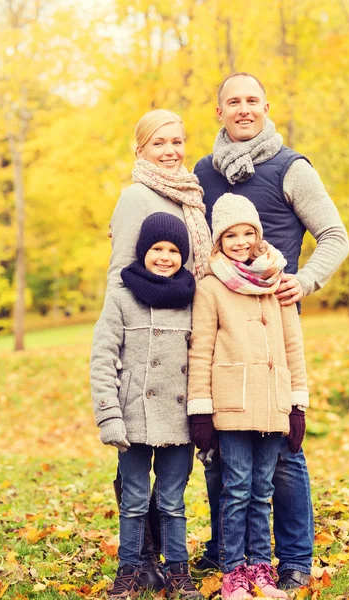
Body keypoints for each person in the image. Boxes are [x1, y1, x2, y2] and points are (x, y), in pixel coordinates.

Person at [192, 72, 349, 589]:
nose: (243, 109)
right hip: (220, 330)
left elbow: (334, 235)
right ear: (219, 112)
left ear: (266, 107)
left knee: (282, 456)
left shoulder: (291, 167)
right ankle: (229, 556)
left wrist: (304, 282)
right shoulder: (203, 172)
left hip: (272, 329)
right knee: (222, 459)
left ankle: (295, 558)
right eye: (232, 102)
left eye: (251, 101)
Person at [104, 108, 212, 595]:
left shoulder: (189, 193)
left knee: (172, 495)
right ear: (140, 149)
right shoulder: (136, 196)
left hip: (182, 328)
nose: (171, 151)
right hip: (140, 338)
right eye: (159, 143)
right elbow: (121, 269)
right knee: (133, 491)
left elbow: (198, 263)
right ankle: (138, 564)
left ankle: (169, 567)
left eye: (177, 140)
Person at [188, 193, 309, 600]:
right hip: (231, 405)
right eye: (230, 235)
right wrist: (201, 410)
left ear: (257, 235)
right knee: (236, 487)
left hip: (273, 404)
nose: (240, 241)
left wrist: (297, 404)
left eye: (247, 233)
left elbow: (293, 346)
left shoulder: (278, 280)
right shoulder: (210, 286)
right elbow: (201, 348)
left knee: (262, 490)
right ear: (219, 240)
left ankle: (260, 569)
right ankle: (233, 573)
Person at [91, 212, 205, 600]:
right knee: (134, 500)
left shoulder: (195, 297)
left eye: (174, 250)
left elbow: (205, 359)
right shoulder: (121, 296)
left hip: (179, 419)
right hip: (133, 419)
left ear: (183, 256)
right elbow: (103, 357)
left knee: (173, 502)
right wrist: (109, 415)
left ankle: (177, 571)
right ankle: (131, 569)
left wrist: (205, 418)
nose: (165, 256)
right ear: (143, 252)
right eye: (157, 248)